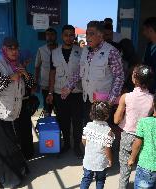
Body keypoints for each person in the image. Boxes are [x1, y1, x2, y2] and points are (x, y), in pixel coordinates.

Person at [0, 37, 33, 188]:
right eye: (11, 48)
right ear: (4, 49)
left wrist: (26, 75)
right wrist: (10, 78)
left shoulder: (17, 65)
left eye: (16, 48)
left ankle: (17, 172)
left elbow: (31, 85)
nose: (14, 51)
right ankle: (6, 178)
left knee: (12, 144)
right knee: (1, 147)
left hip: (12, 112)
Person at [61, 21, 124, 125]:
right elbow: (80, 71)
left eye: (92, 34)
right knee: (89, 131)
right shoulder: (85, 50)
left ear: (101, 35)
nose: (87, 37)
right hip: (87, 100)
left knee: (103, 135)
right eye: (87, 34)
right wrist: (69, 86)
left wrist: (110, 102)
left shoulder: (111, 51)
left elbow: (119, 77)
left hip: (103, 103)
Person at [46, 25, 84, 157]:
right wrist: (50, 92)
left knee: (77, 120)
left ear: (74, 36)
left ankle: (77, 145)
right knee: (63, 120)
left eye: (71, 35)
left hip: (77, 92)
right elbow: (52, 73)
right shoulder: (54, 53)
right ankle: (66, 144)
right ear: (62, 36)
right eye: (66, 35)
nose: (69, 37)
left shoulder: (81, 51)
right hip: (59, 92)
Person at [114, 65, 154, 189]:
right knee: (142, 168)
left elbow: (116, 120)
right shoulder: (153, 99)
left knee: (125, 171)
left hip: (127, 136)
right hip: (144, 137)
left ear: (135, 79)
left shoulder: (126, 97)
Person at [80, 101, 115, 189]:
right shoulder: (108, 130)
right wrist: (110, 160)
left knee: (86, 178)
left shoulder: (88, 126)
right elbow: (107, 149)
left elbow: (84, 141)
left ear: (91, 114)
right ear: (107, 116)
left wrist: (89, 147)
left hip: (89, 159)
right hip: (101, 161)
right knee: (100, 179)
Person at [35, 28, 58, 115]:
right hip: (45, 84)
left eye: (52, 35)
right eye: (47, 35)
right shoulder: (41, 50)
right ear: (45, 37)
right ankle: (47, 127)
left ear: (56, 36)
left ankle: (59, 127)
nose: (50, 37)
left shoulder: (61, 48)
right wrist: (36, 82)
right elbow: (37, 67)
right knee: (47, 108)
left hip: (59, 84)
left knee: (58, 108)